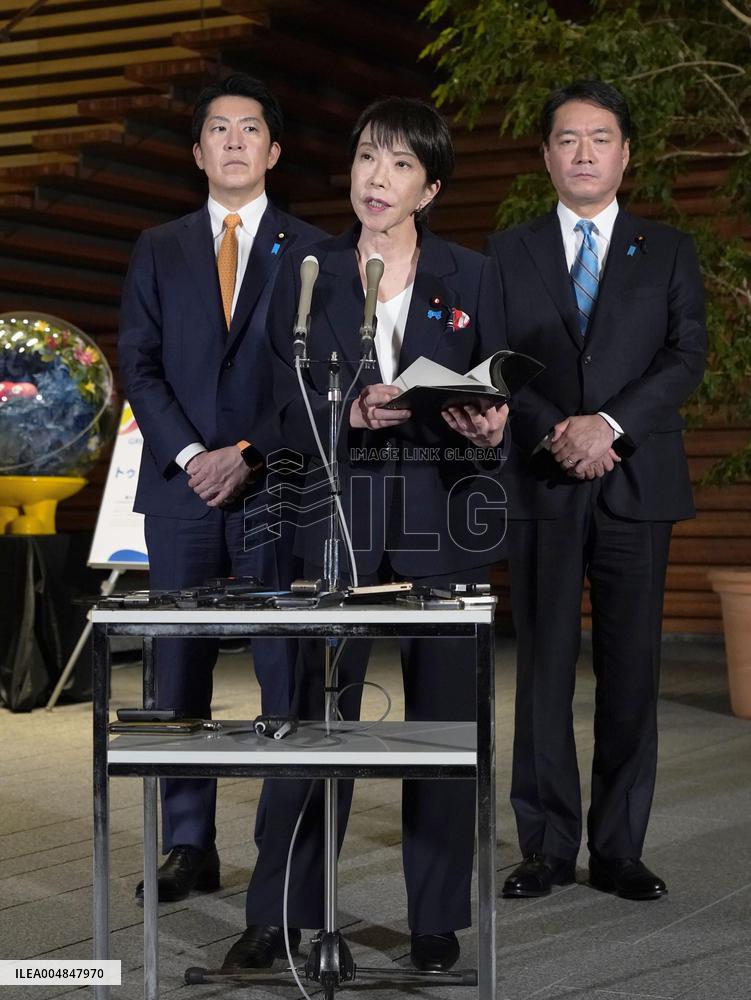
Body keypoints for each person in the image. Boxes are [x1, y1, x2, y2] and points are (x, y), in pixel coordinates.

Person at [220, 97, 509, 973]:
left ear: (429, 188)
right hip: (330, 521)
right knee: (307, 725)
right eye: (365, 160)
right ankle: (279, 911)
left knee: (443, 731)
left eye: (398, 166)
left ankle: (433, 918)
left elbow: (498, 386)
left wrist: (490, 425)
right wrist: (342, 409)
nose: (375, 179)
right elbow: (275, 399)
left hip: (437, 522)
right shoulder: (307, 269)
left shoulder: (471, 274)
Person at [486, 80, 706, 901]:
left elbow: (684, 359)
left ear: (624, 153)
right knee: (541, 664)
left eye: (599, 138)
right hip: (543, 479)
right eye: (567, 139)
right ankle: (545, 846)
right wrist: (556, 430)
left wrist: (605, 426)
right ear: (545, 154)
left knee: (629, 669)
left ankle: (618, 847)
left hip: (635, 481)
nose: (583, 152)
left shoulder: (669, 248)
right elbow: (498, 362)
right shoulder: (507, 252)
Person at [118, 73, 324, 903]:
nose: (234, 141)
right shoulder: (158, 247)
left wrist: (243, 450)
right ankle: (187, 844)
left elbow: (311, 374)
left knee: (285, 667)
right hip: (181, 491)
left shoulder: (315, 250)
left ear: (273, 150)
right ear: (198, 150)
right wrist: (194, 451)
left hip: (274, 484)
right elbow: (138, 361)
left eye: (250, 129)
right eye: (218, 129)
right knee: (179, 673)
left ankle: (281, 848)